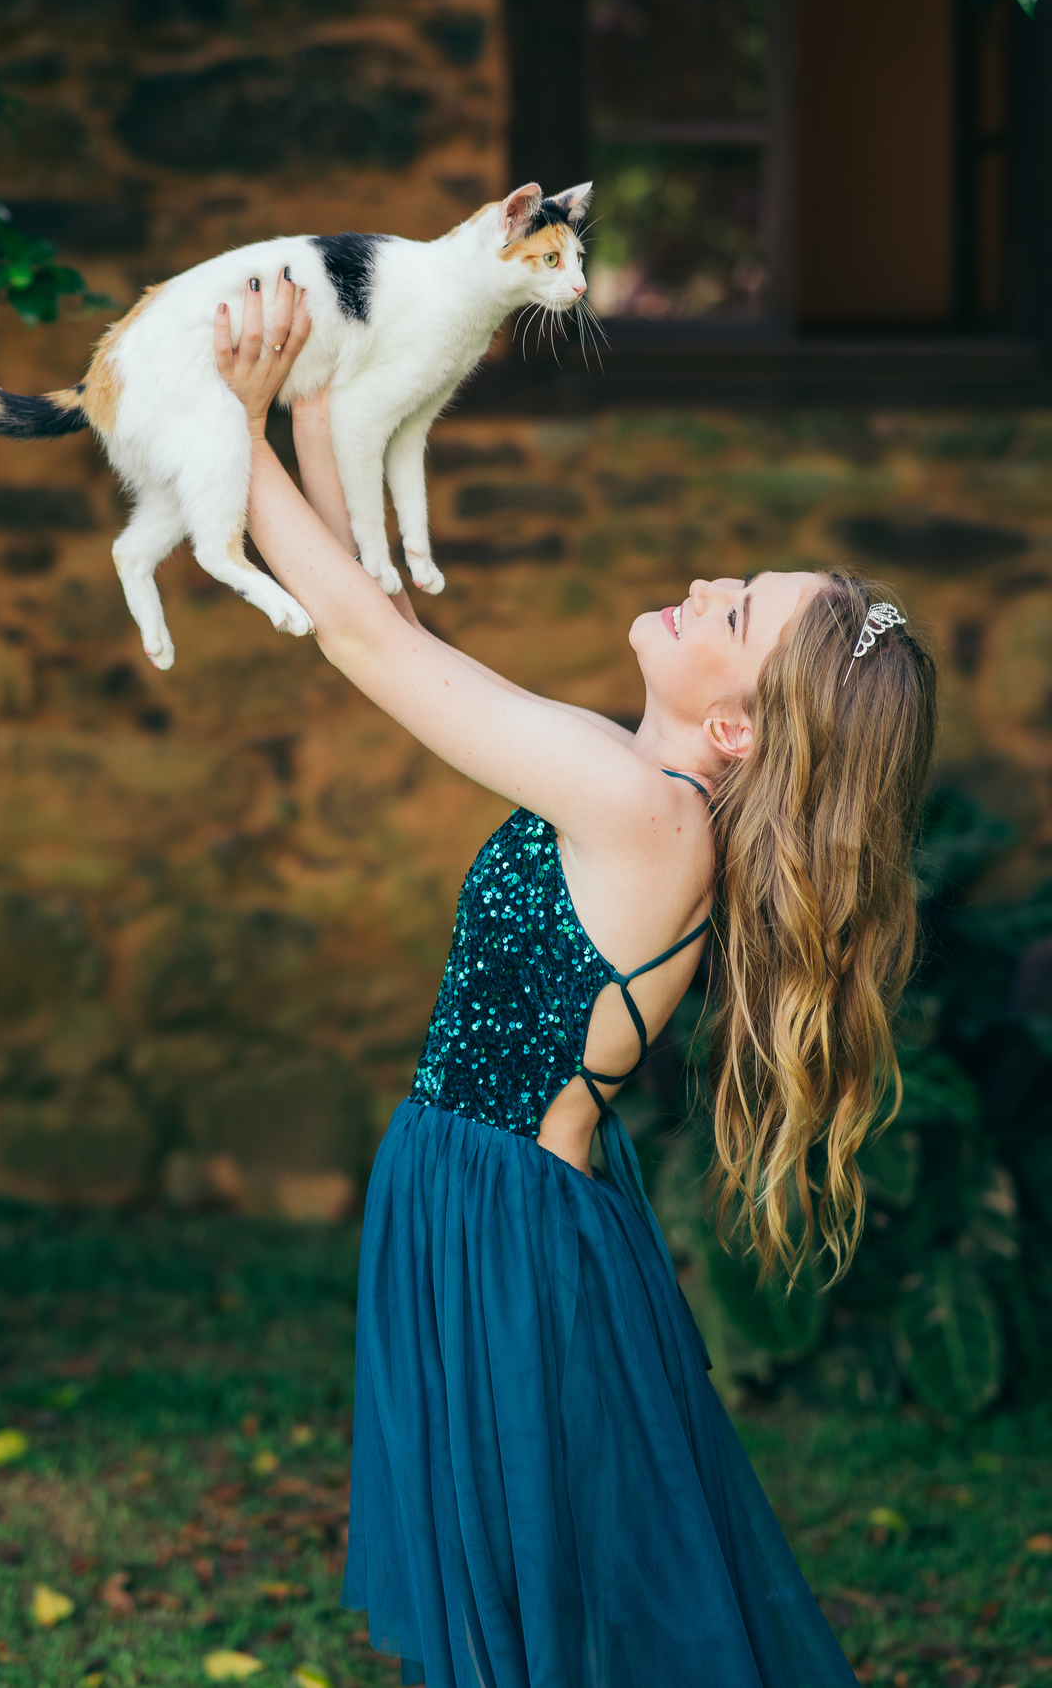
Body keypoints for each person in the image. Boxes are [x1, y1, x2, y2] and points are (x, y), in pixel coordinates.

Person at [214, 275, 938, 1688]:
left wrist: (229, 431)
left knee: (551, 1590)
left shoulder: (642, 812)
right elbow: (397, 634)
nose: (705, 584)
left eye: (735, 609)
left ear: (735, 724)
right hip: (483, 1186)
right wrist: (309, 413)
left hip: (511, 1223)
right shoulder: (632, 775)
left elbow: (363, 645)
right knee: (525, 1574)